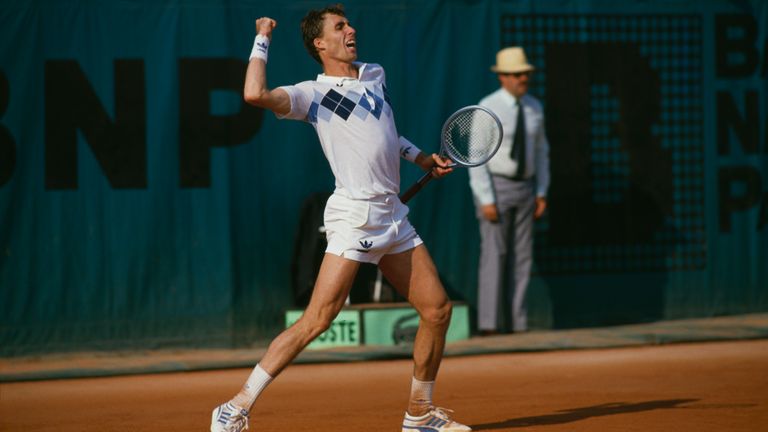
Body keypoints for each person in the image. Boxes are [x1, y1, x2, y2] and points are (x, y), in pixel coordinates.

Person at [210, 4, 471, 432]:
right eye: (340, 26)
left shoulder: (375, 73)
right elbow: (254, 95)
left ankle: (419, 414)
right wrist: (263, 37)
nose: (351, 30)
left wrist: (421, 157)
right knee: (317, 320)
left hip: (393, 215)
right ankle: (235, 406)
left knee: (438, 309)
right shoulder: (312, 95)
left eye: (348, 23)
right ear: (320, 43)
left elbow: (386, 131)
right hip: (354, 216)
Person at [468, 47, 550, 336]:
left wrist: (541, 191)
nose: (522, 79)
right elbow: (476, 156)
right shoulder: (488, 107)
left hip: (526, 188)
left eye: (525, 74)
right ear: (502, 77)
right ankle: (490, 325)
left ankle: (519, 323)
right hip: (497, 186)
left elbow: (541, 152)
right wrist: (486, 198)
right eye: (516, 74)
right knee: (494, 255)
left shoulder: (534, 107)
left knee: (523, 256)